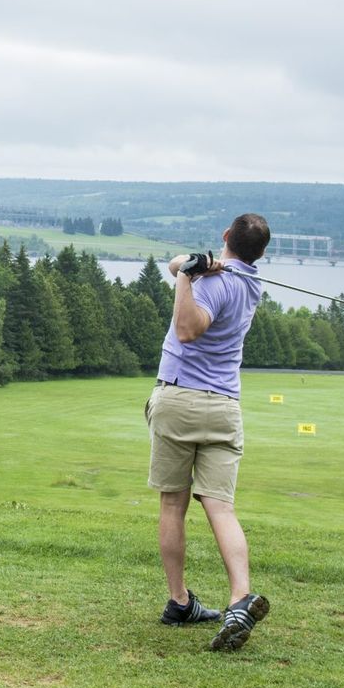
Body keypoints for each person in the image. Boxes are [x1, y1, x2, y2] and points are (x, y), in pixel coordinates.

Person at [146, 212, 273, 652]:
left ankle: (179, 600)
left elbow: (186, 330)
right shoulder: (249, 284)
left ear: (225, 237)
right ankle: (240, 597)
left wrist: (188, 278)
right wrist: (189, 264)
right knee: (221, 507)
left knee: (172, 503)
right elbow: (174, 264)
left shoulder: (213, 284)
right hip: (224, 406)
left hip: (180, 400)